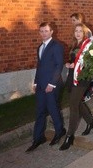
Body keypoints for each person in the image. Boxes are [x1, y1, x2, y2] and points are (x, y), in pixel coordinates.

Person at [26, 22, 65, 152]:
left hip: (51, 84)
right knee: (40, 111)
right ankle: (38, 138)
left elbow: (59, 65)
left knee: (53, 109)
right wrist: (36, 82)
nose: (43, 33)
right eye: (41, 31)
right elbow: (40, 66)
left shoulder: (57, 46)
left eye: (46, 31)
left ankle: (59, 131)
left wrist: (52, 84)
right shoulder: (39, 47)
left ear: (51, 31)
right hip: (41, 84)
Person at [60, 24, 93, 150]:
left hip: (82, 79)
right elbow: (72, 59)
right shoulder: (74, 44)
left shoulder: (88, 46)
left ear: (85, 33)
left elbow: (90, 63)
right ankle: (90, 122)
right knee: (78, 103)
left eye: (81, 31)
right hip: (72, 77)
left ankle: (70, 136)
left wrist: (77, 65)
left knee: (73, 105)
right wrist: (69, 63)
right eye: (76, 31)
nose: (78, 33)